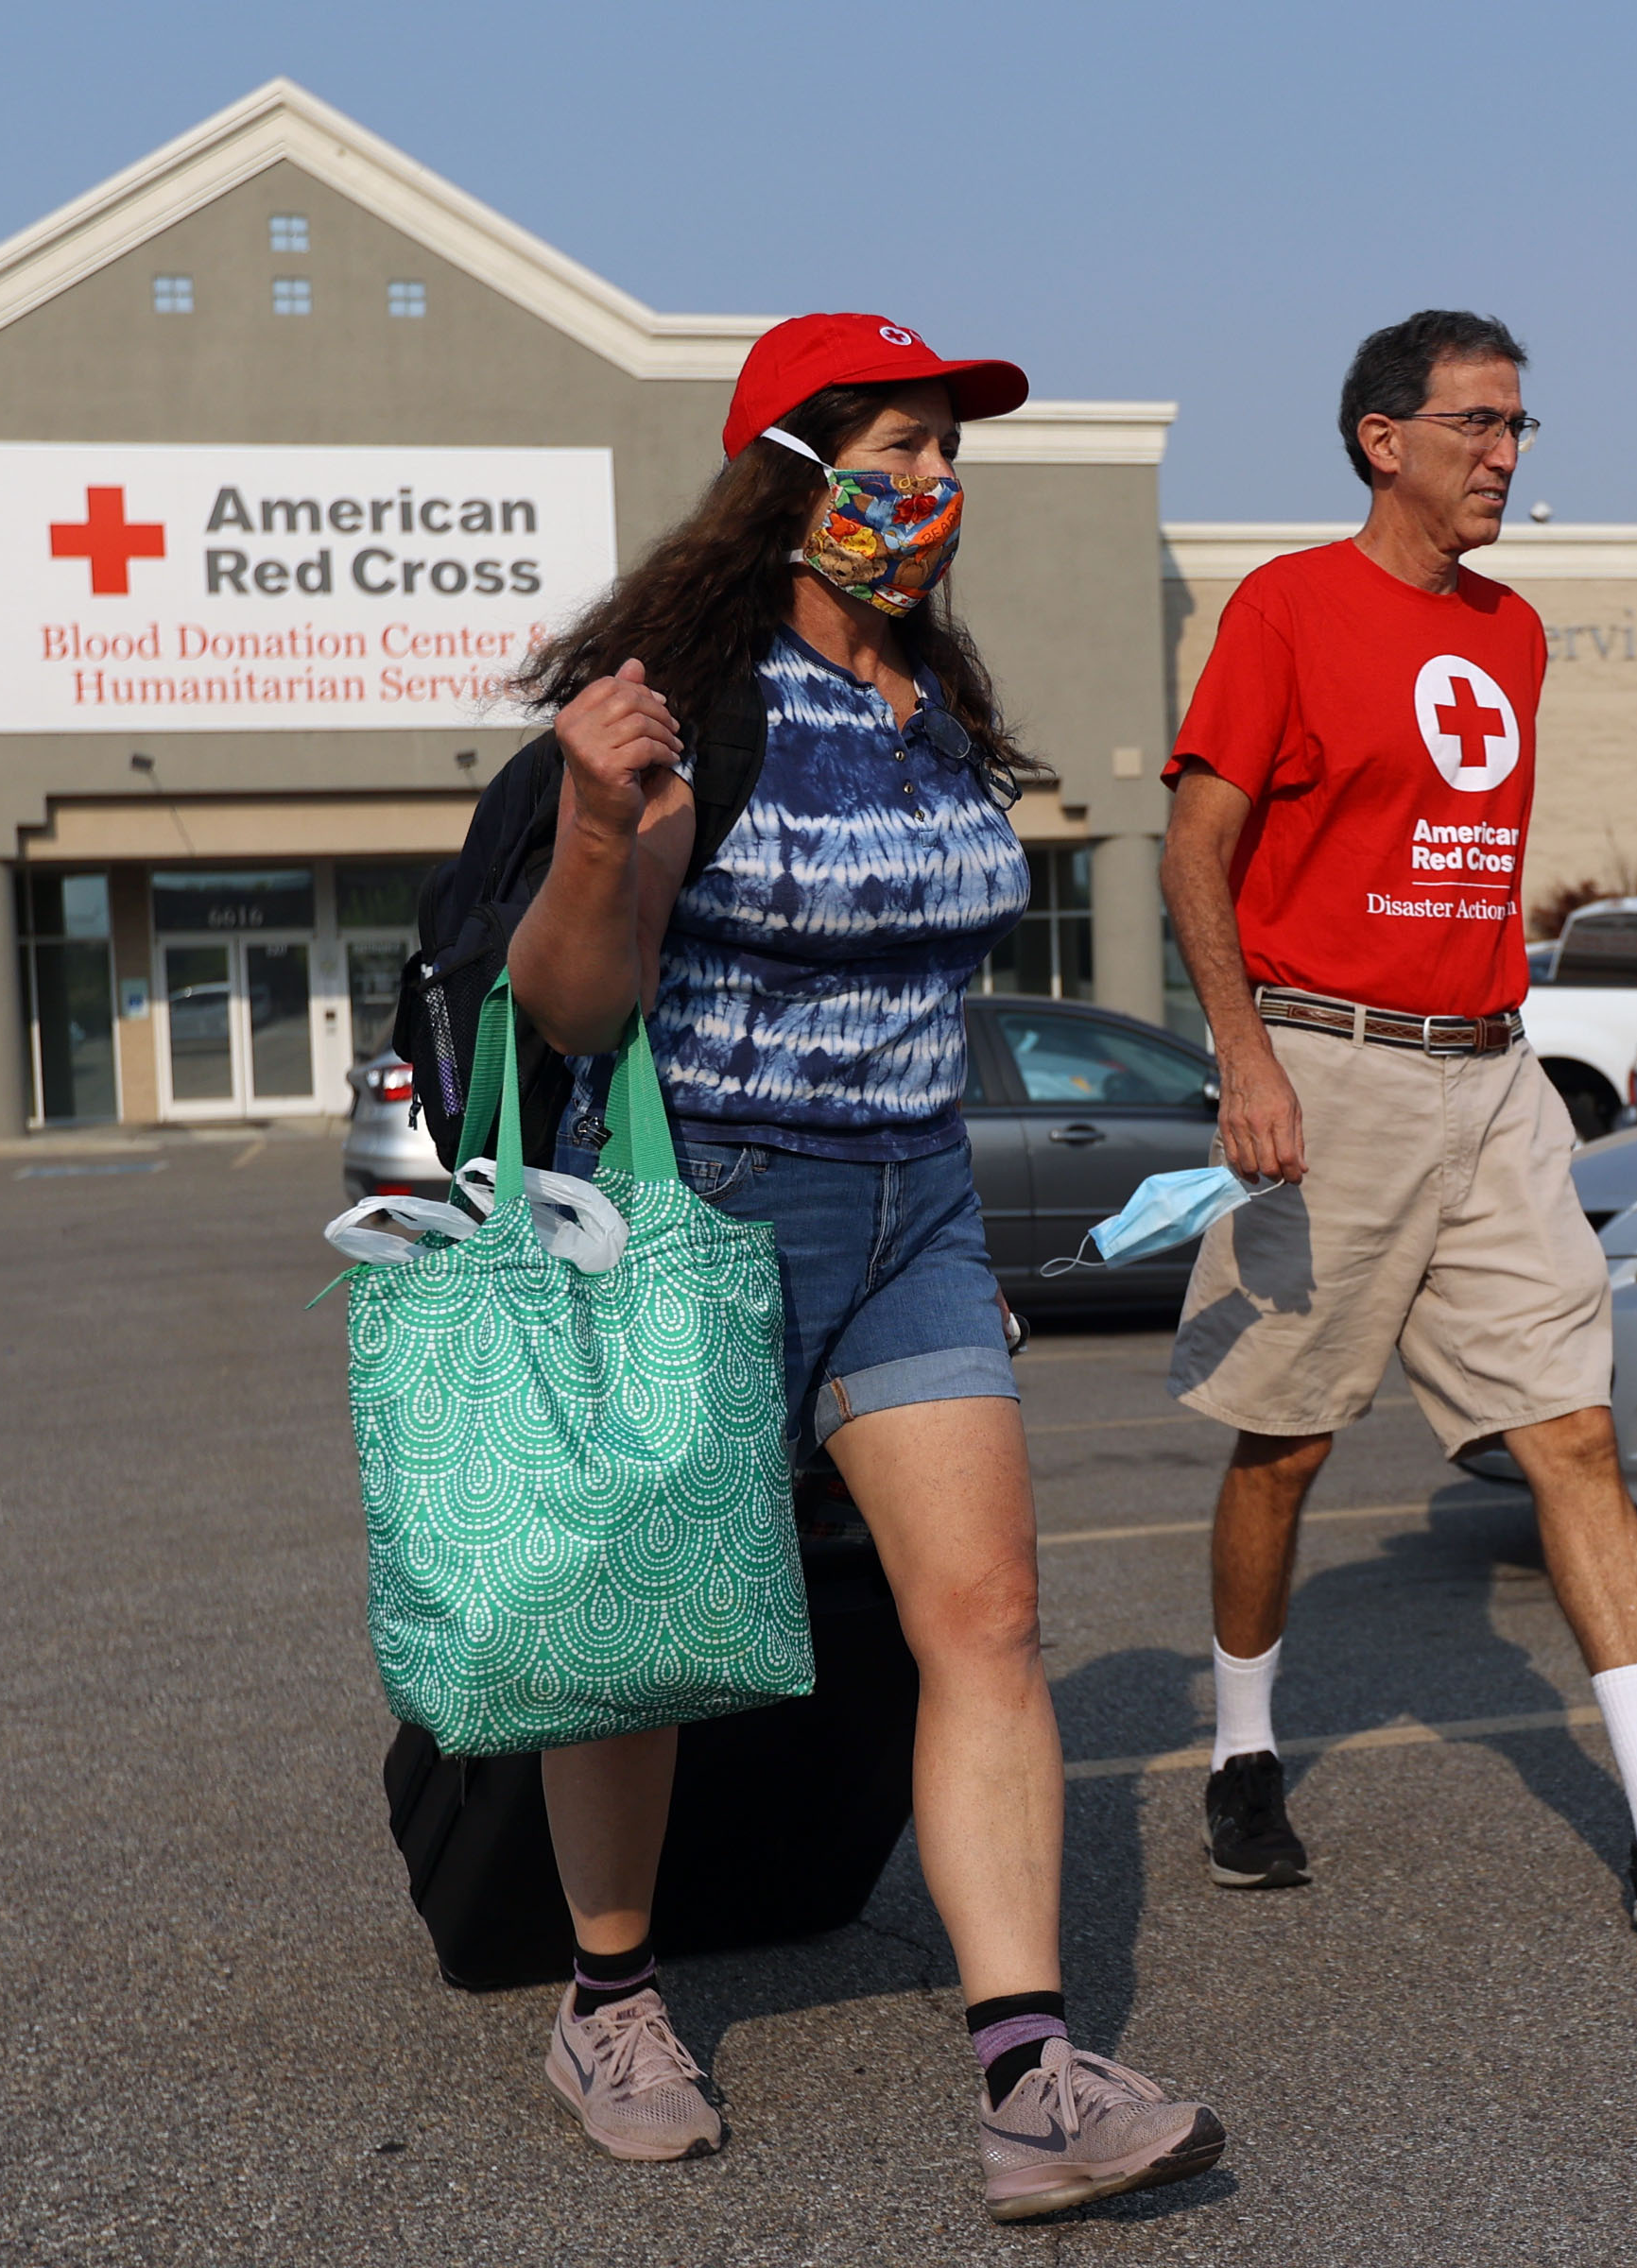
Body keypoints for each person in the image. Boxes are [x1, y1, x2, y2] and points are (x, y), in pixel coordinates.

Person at [500, 312, 1225, 2220]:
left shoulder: (930, 714)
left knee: (981, 1622)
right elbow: (571, 1005)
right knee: (646, 1636)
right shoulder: (687, 704)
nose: (928, 489)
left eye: (942, 454)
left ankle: (1030, 2078)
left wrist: (954, 1220)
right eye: (891, 452)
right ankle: (606, 2002)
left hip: (913, 1204)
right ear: (790, 477)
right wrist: (593, 825)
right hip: (705, 1205)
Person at [1160, 309, 1637, 1929]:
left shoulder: (1513, 633)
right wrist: (1245, 1057)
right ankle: (1243, 1751)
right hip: (1325, 1067)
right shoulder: (1284, 610)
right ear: (1380, 439)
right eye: (1477, 425)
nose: (1503, 455)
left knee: (1569, 1431)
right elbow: (1194, 852)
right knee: (1285, 1446)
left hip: (1492, 1074)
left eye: (1517, 428)